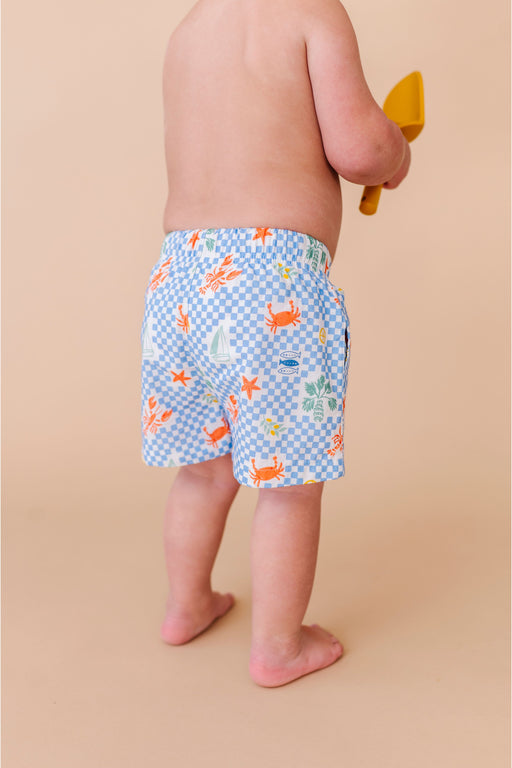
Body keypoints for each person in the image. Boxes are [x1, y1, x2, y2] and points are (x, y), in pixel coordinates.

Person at [140, 0, 410, 687]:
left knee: (206, 465)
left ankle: (186, 604)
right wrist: (395, 150)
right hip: (270, 284)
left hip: (181, 279)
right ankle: (278, 647)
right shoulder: (311, 13)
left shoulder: (189, 32)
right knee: (290, 480)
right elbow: (358, 148)